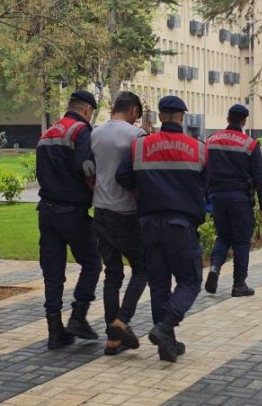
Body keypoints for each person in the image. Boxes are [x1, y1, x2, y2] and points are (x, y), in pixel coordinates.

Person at [116, 95, 207, 363]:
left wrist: (144, 190)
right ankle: (165, 328)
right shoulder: (198, 148)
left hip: (149, 225)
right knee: (190, 281)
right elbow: (207, 183)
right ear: (182, 117)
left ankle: (167, 344)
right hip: (181, 225)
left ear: (159, 115)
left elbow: (122, 176)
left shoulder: (140, 145)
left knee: (159, 284)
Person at [36, 90, 103, 350]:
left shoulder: (48, 133)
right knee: (92, 263)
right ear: (87, 110)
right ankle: (78, 316)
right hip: (72, 211)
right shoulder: (80, 131)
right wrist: (98, 194)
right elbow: (87, 167)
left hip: (47, 211)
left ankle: (55, 331)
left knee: (53, 273)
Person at [90, 91, 148, 356]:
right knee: (142, 269)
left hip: (100, 210)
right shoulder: (136, 135)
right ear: (134, 111)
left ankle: (112, 340)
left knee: (112, 274)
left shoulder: (94, 133)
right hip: (126, 212)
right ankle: (121, 321)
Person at [204, 104, 262, 297]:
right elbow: (258, 177)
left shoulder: (211, 140)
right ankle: (239, 284)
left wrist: (206, 195)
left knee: (223, 237)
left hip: (218, 198)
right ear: (243, 121)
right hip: (240, 199)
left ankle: (215, 267)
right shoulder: (250, 144)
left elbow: (204, 169)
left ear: (227, 118)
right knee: (241, 241)